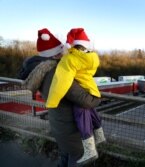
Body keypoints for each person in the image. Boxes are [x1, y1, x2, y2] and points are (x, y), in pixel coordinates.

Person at [20, 28, 102, 167]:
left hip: (59, 124)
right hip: (71, 129)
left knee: (65, 155)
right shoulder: (57, 73)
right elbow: (88, 101)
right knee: (77, 158)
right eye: (62, 50)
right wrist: (97, 98)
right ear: (57, 53)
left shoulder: (40, 69)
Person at [46, 28, 105, 165]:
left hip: (83, 93)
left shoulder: (70, 59)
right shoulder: (91, 57)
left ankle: (90, 150)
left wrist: (51, 101)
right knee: (90, 112)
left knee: (81, 117)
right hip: (91, 89)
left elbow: (61, 82)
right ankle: (99, 134)